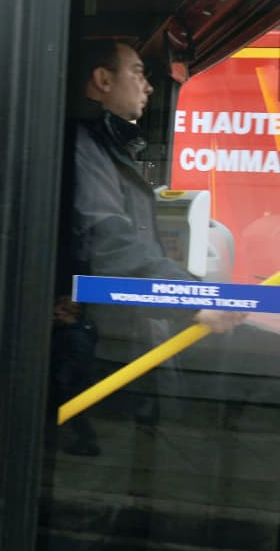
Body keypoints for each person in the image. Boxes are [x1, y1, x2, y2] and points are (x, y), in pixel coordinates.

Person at [67, 40, 245, 434]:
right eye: (137, 72)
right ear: (102, 79)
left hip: (116, 346)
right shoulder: (83, 149)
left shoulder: (105, 147)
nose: (148, 87)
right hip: (98, 354)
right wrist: (189, 297)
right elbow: (109, 244)